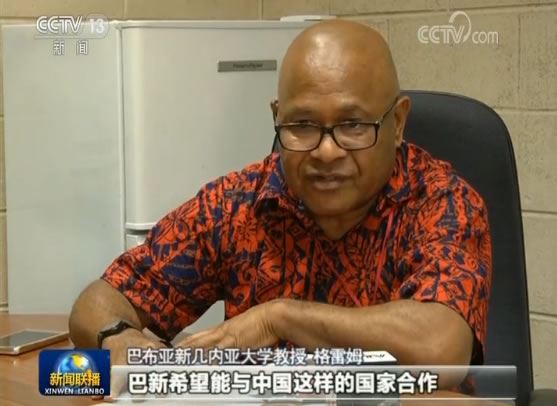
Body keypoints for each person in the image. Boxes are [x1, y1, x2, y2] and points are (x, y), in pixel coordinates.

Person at [69, 19, 492, 394]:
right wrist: (117, 337)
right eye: (302, 125)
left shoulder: (443, 203)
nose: (326, 152)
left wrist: (279, 318)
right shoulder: (237, 204)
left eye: (353, 125)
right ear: (278, 116)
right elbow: (98, 301)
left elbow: (441, 347)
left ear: (397, 123)